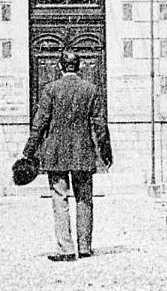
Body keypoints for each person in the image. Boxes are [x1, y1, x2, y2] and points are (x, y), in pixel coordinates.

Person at [21, 50, 112, 261]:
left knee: (60, 198)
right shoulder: (91, 90)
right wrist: (106, 152)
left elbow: (39, 124)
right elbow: (100, 125)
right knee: (84, 199)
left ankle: (67, 249)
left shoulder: (50, 90)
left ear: (60, 67)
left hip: (56, 153)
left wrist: (28, 152)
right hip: (83, 152)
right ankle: (86, 247)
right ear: (78, 67)